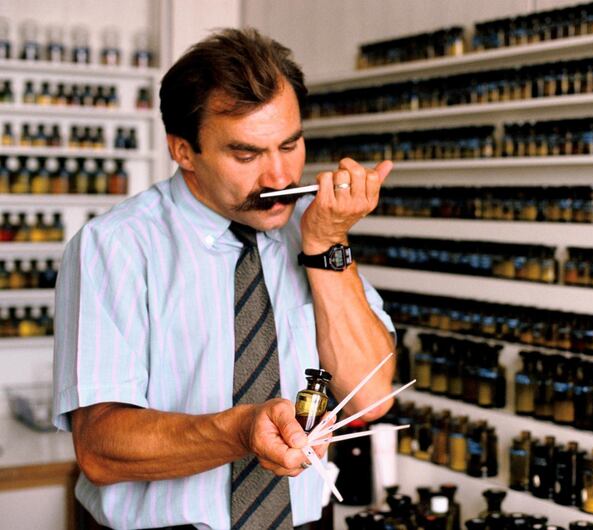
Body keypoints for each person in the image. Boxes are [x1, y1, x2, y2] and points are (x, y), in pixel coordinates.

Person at [52, 27, 396, 530]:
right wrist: (240, 432)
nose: (280, 178)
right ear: (184, 151)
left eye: (291, 144)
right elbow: (101, 450)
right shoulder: (115, 246)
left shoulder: (313, 228)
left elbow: (372, 396)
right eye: (247, 154)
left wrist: (327, 246)